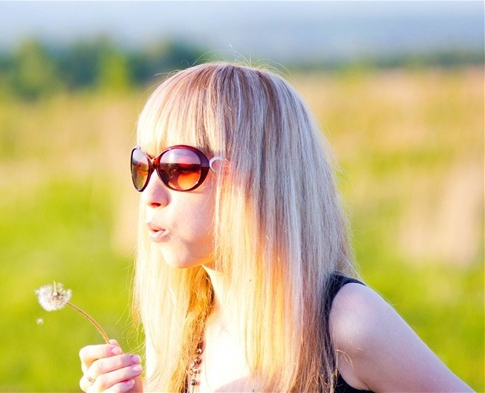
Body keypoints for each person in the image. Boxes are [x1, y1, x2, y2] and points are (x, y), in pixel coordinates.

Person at [78, 62, 472, 392]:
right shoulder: (185, 331)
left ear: (257, 179)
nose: (151, 193)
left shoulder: (347, 321)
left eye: (179, 168)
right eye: (143, 167)